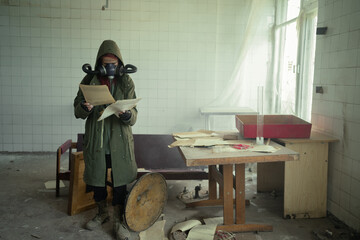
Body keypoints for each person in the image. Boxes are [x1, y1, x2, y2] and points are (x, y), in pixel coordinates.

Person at [73, 40, 138, 240]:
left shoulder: (126, 81)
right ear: (99, 63)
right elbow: (77, 110)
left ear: (119, 63)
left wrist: (127, 115)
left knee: (120, 182)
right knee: (97, 179)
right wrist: (85, 107)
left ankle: (119, 219)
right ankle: (101, 213)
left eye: (114, 63)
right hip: (97, 139)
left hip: (119, 140)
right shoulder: (89, 79)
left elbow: (134, 114)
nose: (110, 67)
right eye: (106, 62)